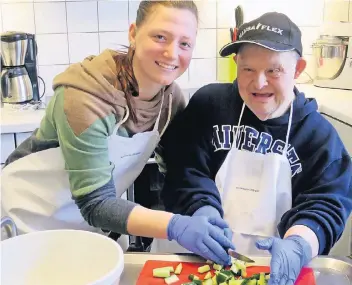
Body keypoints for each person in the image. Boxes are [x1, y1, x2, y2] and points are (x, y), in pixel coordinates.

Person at [0, 0, 235, 265]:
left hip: (90, 227)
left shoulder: (171, 102)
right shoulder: (85, 96)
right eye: (160, 37)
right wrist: (176, 226)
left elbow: (177, 171)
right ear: (133, 33)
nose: (172, 53)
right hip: (29, 218)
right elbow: (96, 204)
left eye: (184, 44)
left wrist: (200, 208)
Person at [155, 12, 352, 285]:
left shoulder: (319, 137)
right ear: (236, 64)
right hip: (197, 259)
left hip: (274, 269)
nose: (259, 83)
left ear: (297, 69)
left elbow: (326, 204)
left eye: (274, 70)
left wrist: (299, 243)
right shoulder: (209, 106)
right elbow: (185, 169)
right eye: (248, 69)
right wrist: (202, 212)